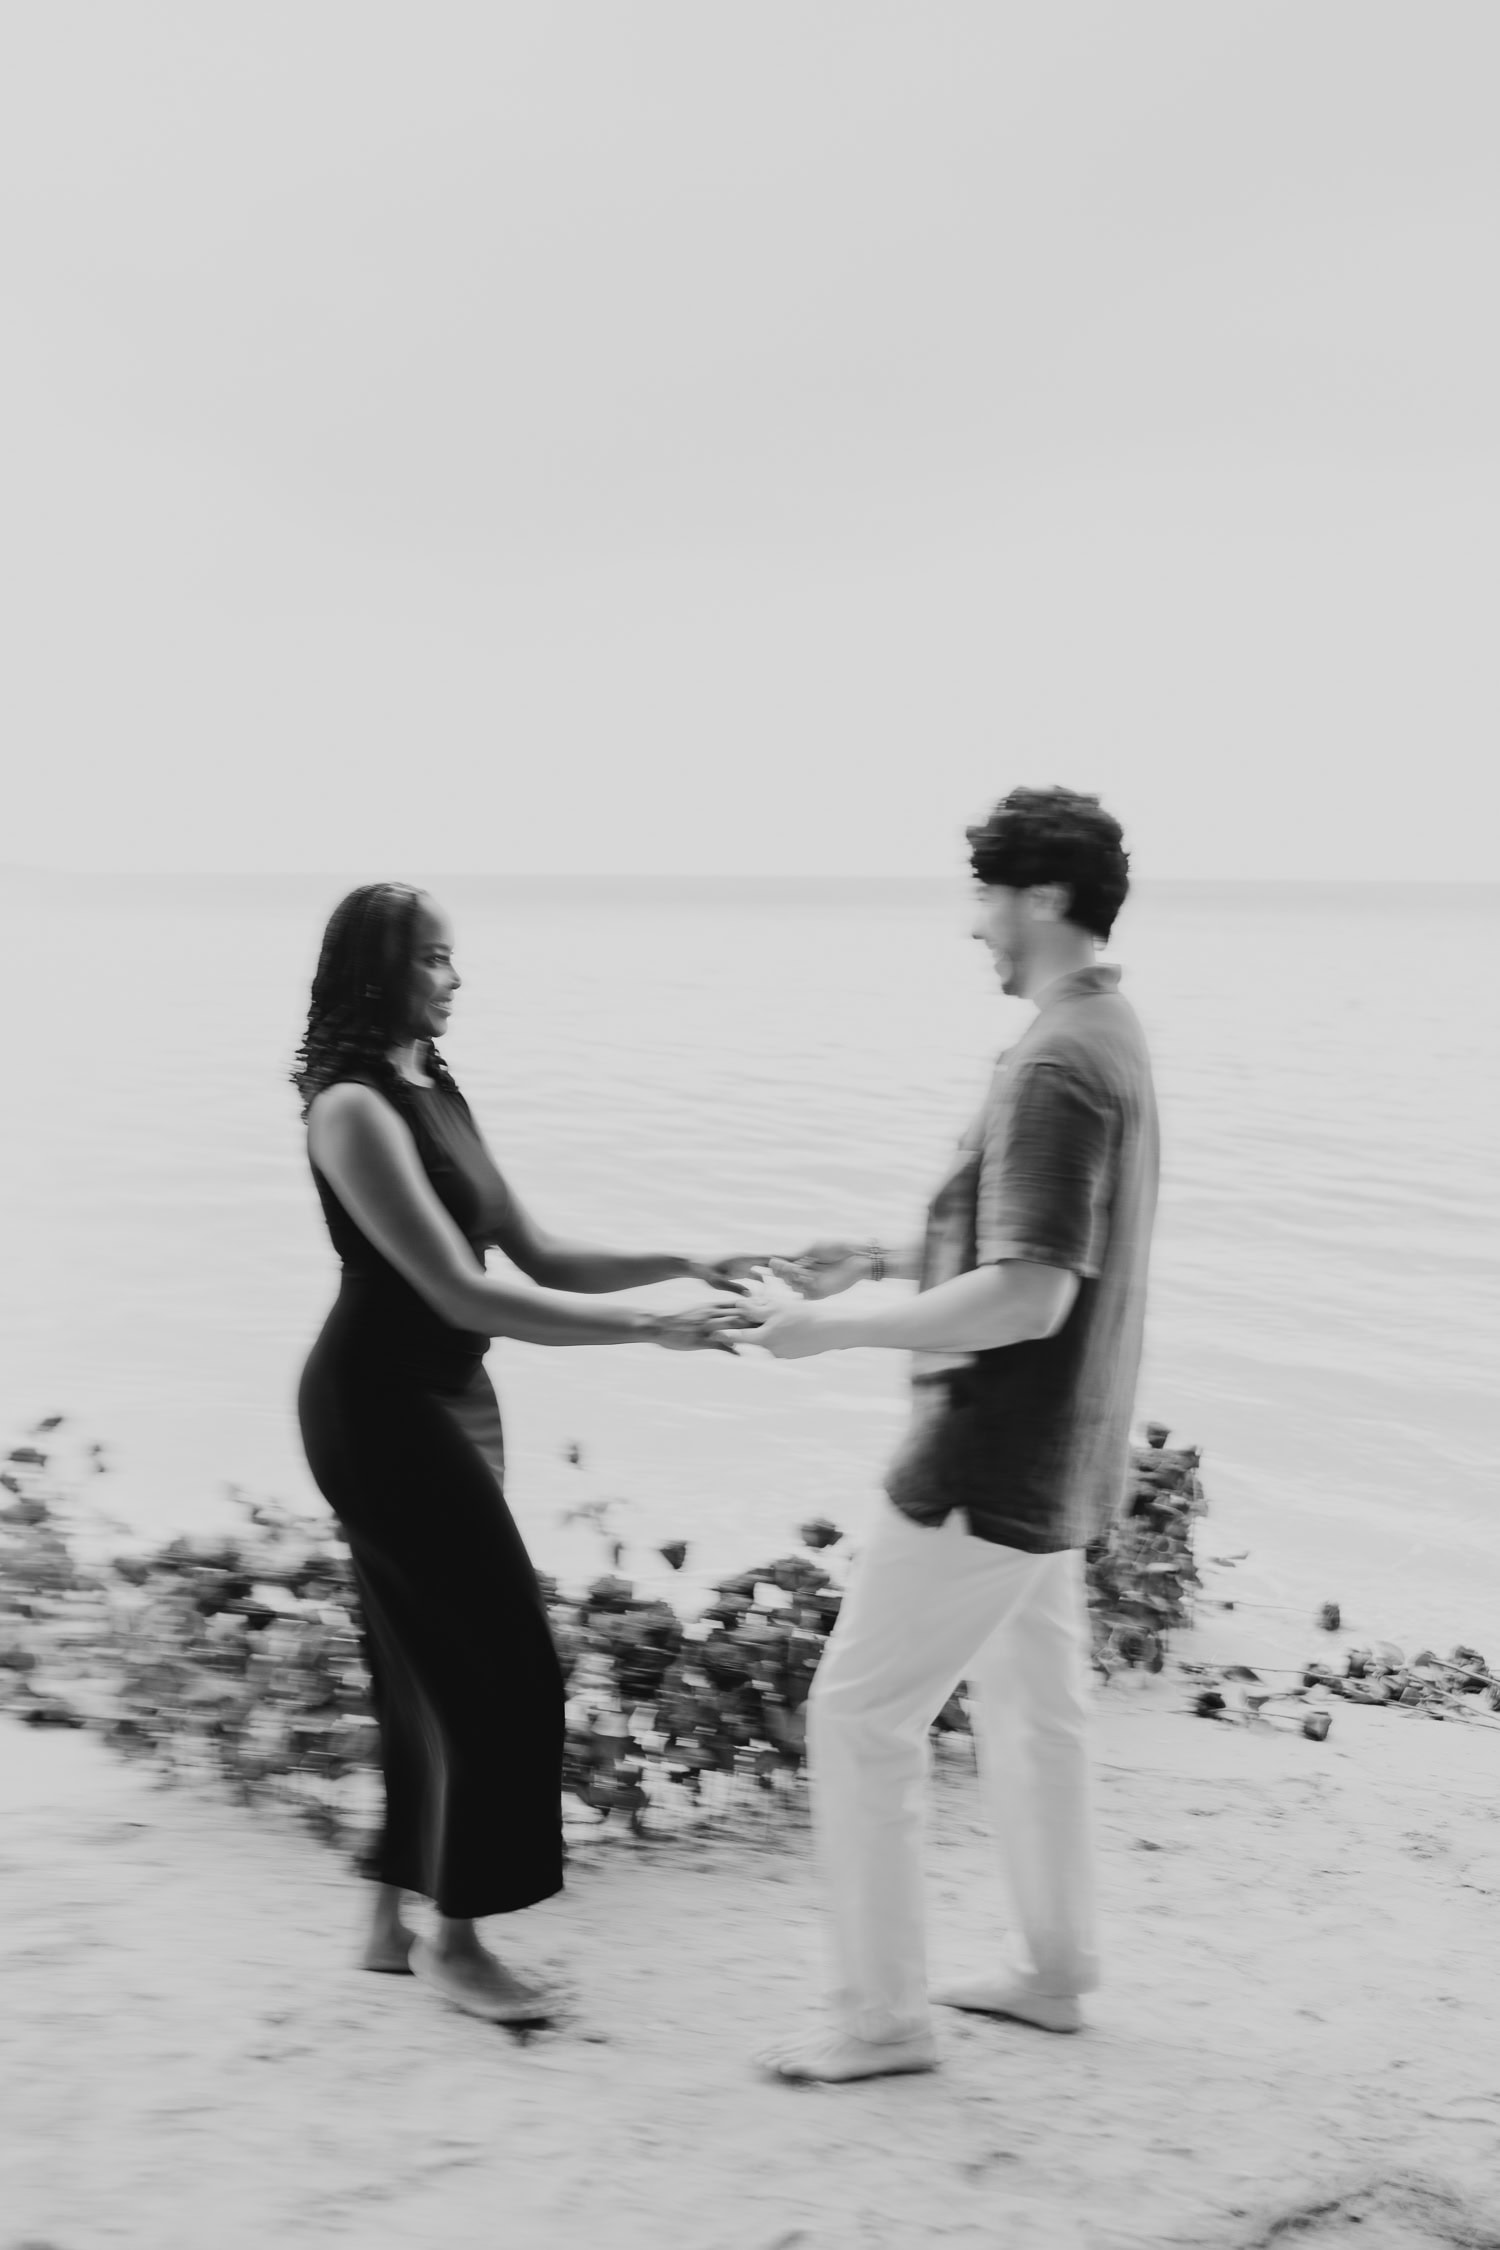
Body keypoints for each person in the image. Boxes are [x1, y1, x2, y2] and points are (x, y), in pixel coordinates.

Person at [748, 788, 1159, 2082]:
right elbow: (1035, 1248)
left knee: (860, 1716)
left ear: (1039, 898)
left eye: (986, 895)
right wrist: (877, 1253)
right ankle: (1053, 1969)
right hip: (1065, 1450)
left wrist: (833, 1328)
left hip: (989, 1452)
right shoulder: (1106, 1026)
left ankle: (880, 2020)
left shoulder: (1052, 1060)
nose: (974, 924)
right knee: (1039, 1708)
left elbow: (1031, 1290)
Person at [294, 882, 757, 2024]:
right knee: (505, 1667)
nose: (456, 979)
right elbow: (455, 1285)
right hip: (379, 1408)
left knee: (420, 1664)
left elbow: (537, 1254)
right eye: (436, 960)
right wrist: (658, 1332)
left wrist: (683, 1264)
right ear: (380, 970)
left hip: (453, 1399)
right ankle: (457, 1940)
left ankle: (385, 1924)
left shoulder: (432, 1086)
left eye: (455, 959)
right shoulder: (351, 1109)